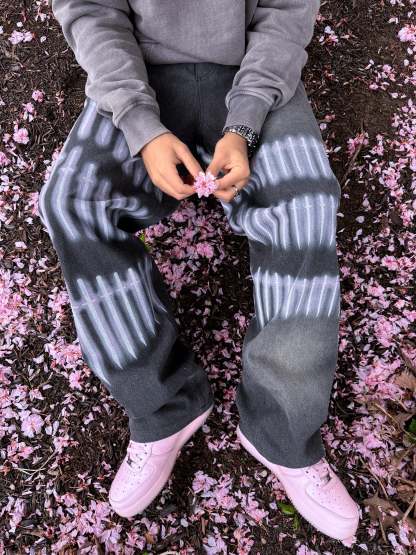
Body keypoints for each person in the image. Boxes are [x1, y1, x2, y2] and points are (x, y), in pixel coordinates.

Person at [39, 0, 360, 545]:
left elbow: (286, 13)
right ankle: (163, 405)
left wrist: (246, 123)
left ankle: (281, 431)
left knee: (305, 207)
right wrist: (141, 126)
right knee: (71, 202)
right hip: (138, 76)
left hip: (252, 73)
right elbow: (92, 12)